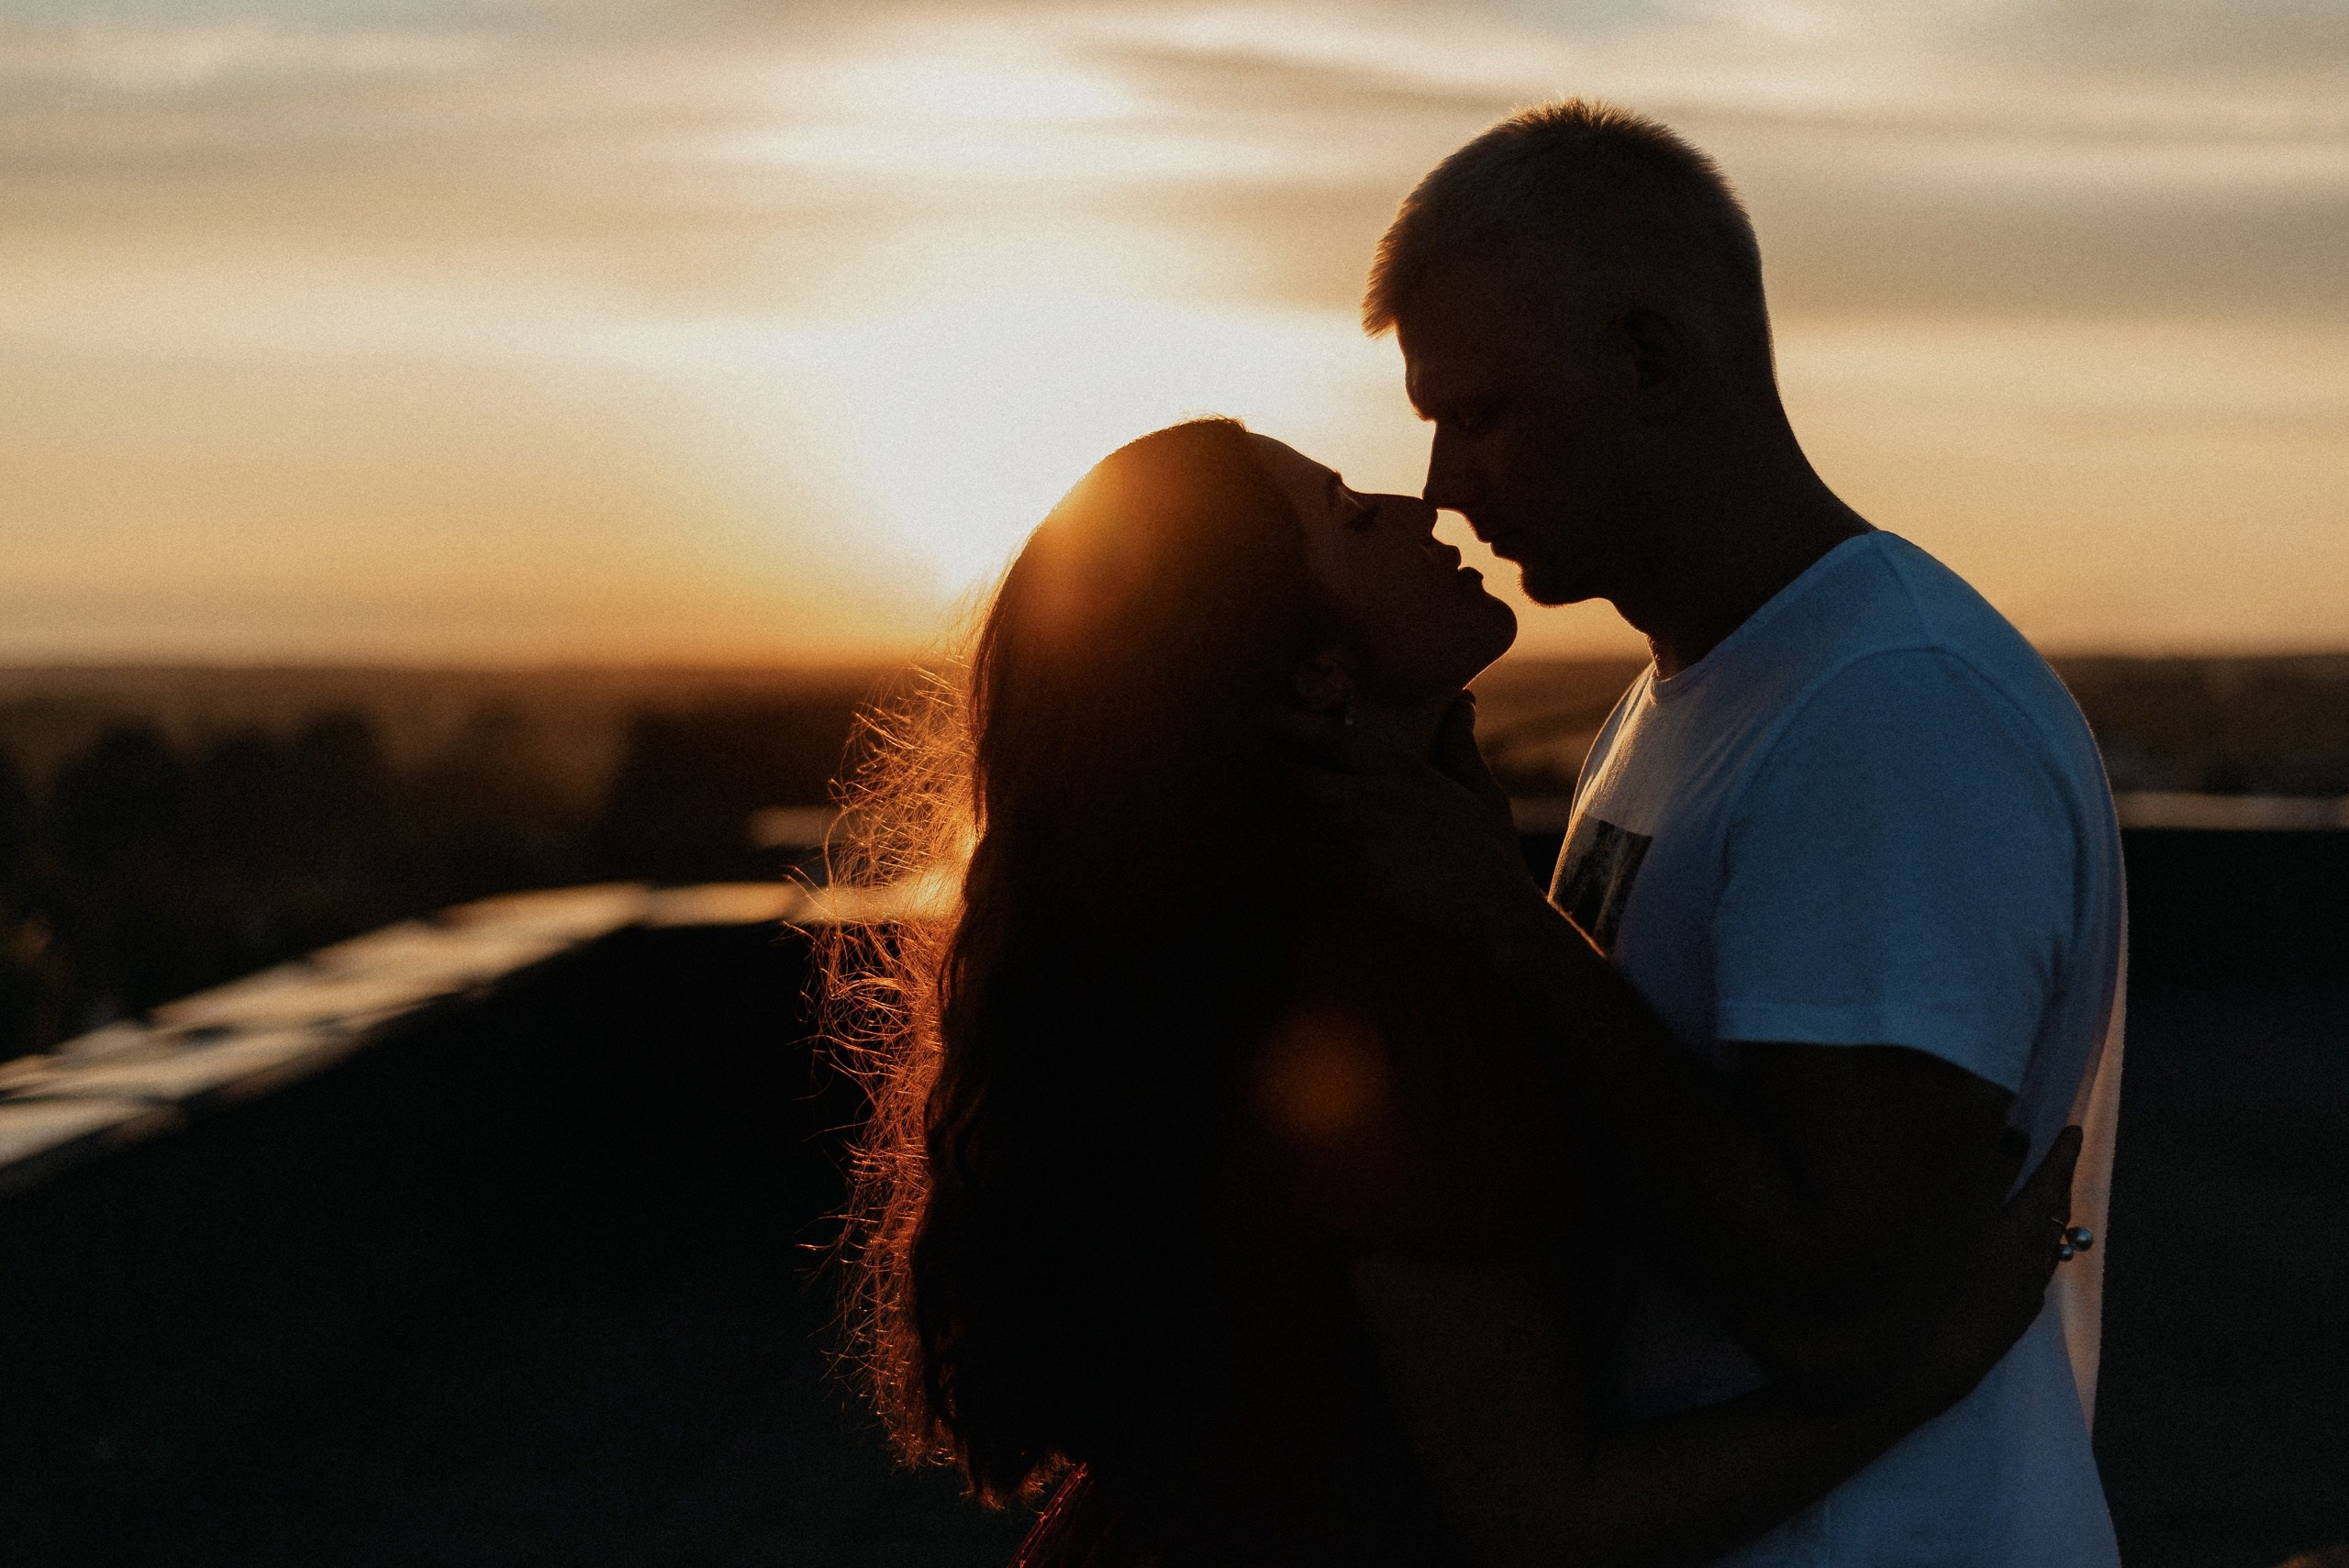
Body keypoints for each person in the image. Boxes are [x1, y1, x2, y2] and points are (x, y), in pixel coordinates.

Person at [829, 416, 2085, 1567]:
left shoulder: (1229, 943)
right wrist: (1923, 1368)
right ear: (1317, 673)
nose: (1416, 503)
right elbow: (1545, 1516)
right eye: (1349, 516)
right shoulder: (1376, 1001)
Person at [1294, 100, 2128, 1566]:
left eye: (1481, 413)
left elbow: (1839, 1302)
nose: (1444, 487)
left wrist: (1507, 926)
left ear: (1650, 361)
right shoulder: (1701, 689)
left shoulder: (1891, 707)